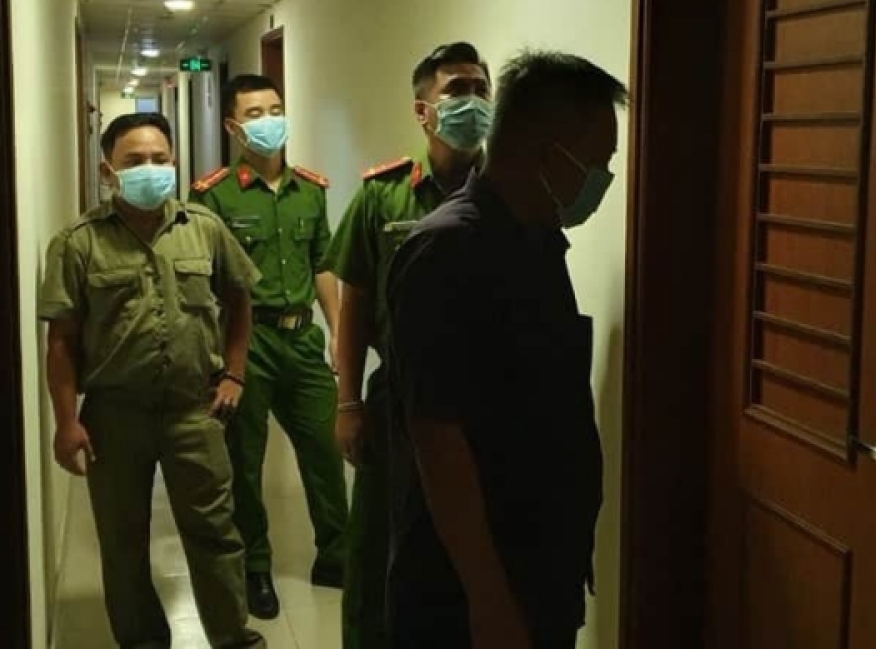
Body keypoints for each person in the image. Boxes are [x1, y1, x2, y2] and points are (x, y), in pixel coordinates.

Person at [384, 50, 627, 649]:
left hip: (538, 567)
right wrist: (488, 601)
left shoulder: (538, 239)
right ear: (545, 153)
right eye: (597, 163)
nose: (602, 179)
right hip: (468, 591)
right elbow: (438, 441)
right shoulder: (447, 252)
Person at [38, 112, 266, 649]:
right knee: (122, 545)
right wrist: (66, 423)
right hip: (114, 417)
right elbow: (61, 341)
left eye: (160, 159)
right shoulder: (77, 243)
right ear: (107, 171)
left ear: (175, 162)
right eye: (134, 160)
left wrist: (234, 374)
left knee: (216, 535)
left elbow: (239, 299)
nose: (150, 168)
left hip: (195, 411)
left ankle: (232, 638)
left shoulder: (204, 227)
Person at [323, 42, 493, 649]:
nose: (472, 101)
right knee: (377, 544)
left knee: (471, 542)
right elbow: (354, 307)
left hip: (484, 400)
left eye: (480, 89)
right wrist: (347, 403)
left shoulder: (508, 190)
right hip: (398, 395)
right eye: (456, 90)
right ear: (424, 111)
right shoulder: (384, 195)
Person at [189, 74, 347, 619]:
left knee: (325, 450)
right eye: (255, 113)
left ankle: (337, 555)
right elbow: (204, 278)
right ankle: (255, 565)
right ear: (233, 127)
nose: (269, 121)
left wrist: (338, 333)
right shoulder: (213, 195)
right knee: (244, 461)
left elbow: (323, 262)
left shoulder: (311, 189)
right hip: (246, 343)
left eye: (275, 109)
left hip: (302, 340)